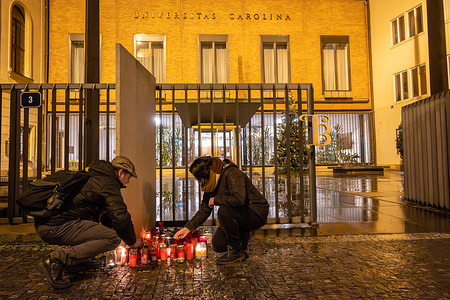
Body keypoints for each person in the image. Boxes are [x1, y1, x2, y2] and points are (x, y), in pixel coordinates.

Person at [35, 156, 142, 289]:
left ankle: (76, 263)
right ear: (121, 172)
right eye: (129, 177)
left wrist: (122, 233)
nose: (129, 181)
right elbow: (121, 217)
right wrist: (132, 241)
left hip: (52, 223)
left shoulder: (98, 177)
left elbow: (108, 217)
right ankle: (56, 261)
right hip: (55, 226)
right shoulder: (108, 183)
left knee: (103, 232)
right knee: (112, 239)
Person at [174, 156, 269, 264]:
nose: (199, 182)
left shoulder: (232, 173)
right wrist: (187, 228)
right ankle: (242, 237)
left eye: (199, 179)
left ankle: (237, 251)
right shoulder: (211, 182)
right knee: (218, 245)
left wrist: (216, 199)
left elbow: (239, 199)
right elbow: (204, 210)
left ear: (206, 174)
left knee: (224, 211)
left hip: (255, 211)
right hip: (240, 213)